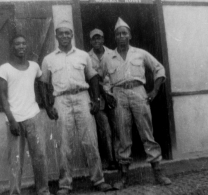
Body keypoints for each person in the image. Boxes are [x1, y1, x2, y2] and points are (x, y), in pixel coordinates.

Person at [39, 20, 112, 195]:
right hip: (61, 100)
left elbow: (93, 77)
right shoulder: (49, 59)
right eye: (61, 33)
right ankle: (65, 184)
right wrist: (48, 106)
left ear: (72, 35)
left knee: (91, 141)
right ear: (56, 36)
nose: (64, 36)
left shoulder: (82, 55)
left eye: (67, 33)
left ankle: (98, 179)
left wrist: (95, 99)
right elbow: (43, 83)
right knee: (65, 144)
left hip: (82, 97)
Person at [101, 17, 172, 190]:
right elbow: (102, 78)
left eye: (124, 33)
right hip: (119, 95)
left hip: (138, 91)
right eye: (118, 34)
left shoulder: (140, 53)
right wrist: (108, 93)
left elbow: (159, 69)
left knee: (147, 133)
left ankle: (158, 172)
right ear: (115, 37)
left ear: (130, 35)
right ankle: (124, 177)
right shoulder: (108, 57)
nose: (121, 36)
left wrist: (154, 91)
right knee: (123, 136)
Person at [0, 34, 52, 195]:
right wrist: (12, 120)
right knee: (15, 160)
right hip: (14, 119)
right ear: (12, 47)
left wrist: (47, 104)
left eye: (23, 43)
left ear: (26, 46)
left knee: (39, 156)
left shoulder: (34, 66)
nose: (21, 46)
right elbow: (3, 98)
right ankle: (15, 192)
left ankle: (43, 191)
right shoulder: (4, 69)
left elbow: (43, 84)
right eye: (17, 44)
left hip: (33, 115)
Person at [88, 28, 117, 170]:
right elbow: (91, 79)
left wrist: (110, 94)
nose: (96, 41)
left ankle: (119, 158)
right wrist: (102, 94)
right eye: (94, 39)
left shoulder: (112, 54)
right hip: (97, 97)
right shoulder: (87, 57)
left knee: (117, 126)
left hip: (114, 95)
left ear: (103, 39)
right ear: (90, 41)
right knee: (105, 129)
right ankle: (111, 160)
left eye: (99, 38)